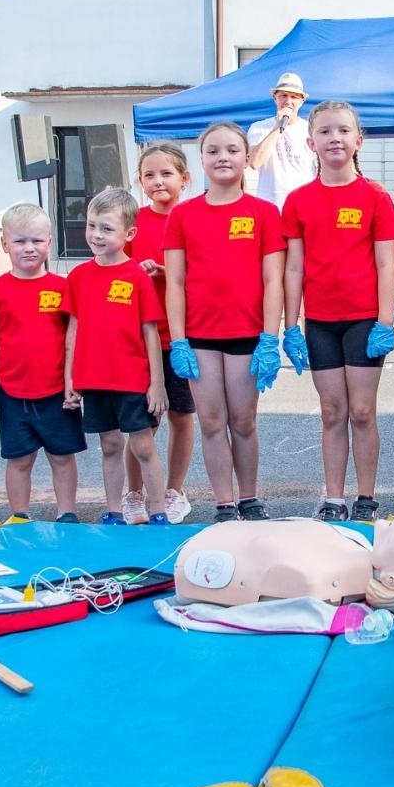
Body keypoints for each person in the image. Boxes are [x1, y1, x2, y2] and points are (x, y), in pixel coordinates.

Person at [281, 101, 394, 523]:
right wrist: (290, 325)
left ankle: (366, 496)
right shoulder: (298, 201)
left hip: (364, 321)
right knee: (333, 412)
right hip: (320, 323)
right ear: (310, 142)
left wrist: (385, 321)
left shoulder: (376, 198)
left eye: (344, 131)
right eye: (326, 131)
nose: (335, 138)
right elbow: (293, 267)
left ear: (358, 140)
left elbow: (386, 263)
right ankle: (334, 497)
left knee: (362, 411)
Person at [164, 122, 287, 523]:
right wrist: (178, 340)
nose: (222, 157)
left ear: (246, 157)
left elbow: (273, 279)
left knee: (243, 420)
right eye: (213, 150)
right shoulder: (183, 215)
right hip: (199, 336)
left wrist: (270, 336)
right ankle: (224, 503)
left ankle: (249, 497)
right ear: (201, 159)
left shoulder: (264, 213)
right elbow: (175, 282)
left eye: (232, 150)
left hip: (247, 334)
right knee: (212, 421)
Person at [0, 203, 84, 525]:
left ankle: (67, 513)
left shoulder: (63, 287)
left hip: (57, 393)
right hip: (13, 394)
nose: (29, 248)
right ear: (5, 244)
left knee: (62, 456)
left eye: (37, 240)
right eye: (20, 241)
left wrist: (75, 382)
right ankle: (19, 515)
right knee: (19, 459)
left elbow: (75, 339)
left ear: (50, 242)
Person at [64, 187, 168, 526]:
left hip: (132, 380)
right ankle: (114, 511)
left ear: (129, 234)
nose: (97, 235)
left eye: (107, 228)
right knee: (109, 445)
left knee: (143, 447)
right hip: (94, 379)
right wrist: (70, 378)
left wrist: (157, 384)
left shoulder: (137, 275)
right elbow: (73, 331)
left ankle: (159, 511)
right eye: (92, 226)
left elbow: (150, 332)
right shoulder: (78, 276)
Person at [123, 142, 196, 524]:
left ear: (185, 178)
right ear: (139, 181)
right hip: (139, 339)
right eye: (149, 175)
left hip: (181, 336)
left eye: (166, 173)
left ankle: (174, 491)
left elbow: (206, 272)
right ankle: (134, 492)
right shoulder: (132, 221)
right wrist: (136, 273)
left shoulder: (194, 217)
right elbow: (113, 266)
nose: (158, 181)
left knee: (181, 416)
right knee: (140, 423)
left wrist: (172, 274)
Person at [246, 72, 317, 209]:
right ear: (275, 97)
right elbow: (254, 162)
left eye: (294, 97)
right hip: (269, 207)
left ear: (302, 101)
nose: (288, 101)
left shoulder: (311, 130)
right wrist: (277, 128)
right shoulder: (259, 128)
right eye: (283, 95)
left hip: (303, 207)